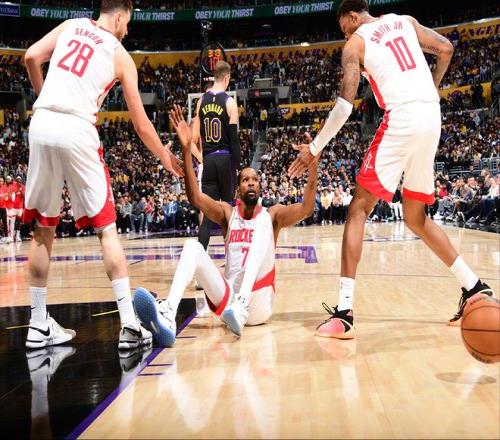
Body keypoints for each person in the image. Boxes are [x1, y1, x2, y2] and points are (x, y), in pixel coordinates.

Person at [288, 0, 493, 339]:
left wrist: (314, 148)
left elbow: (344, 106)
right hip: (431, 116)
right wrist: (433, 87)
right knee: (415, 217)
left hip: (402, 117)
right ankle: (474, 286)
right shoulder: (405, 20)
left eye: (344, 28)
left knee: (358, 208)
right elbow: (445, 49)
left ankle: (344, 313)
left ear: (352, 16)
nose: (345, 35)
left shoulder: (355, 44)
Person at [22, 0, 183, 350]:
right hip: (77, 128)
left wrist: (46, 97)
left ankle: (37, 325)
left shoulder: (71, 25)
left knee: (43, 228)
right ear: (120, 15)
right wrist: (165, 156)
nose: (128, 30)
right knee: (107, 229)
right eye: (128, 23)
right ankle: (129, 325)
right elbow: (141, 124)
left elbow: (31, 57)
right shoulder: (120, 54)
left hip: (42, 122)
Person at [133, 105, 318, 345]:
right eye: (245, 180)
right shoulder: (227, 213)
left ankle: (242, 303)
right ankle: (168, 312)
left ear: (260, 187)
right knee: (192, 247)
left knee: (263, 219)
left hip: (258, 304)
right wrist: (187, 149)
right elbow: (195, 197)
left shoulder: (272, 216)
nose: (250, 183)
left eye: (255, 179)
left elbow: (307, 208)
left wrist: (313, 165)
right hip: (228, 303)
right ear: (237, 189)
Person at [191, 61, 240, 251]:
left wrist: (201, 157)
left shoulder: (201, 101)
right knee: (229, 213)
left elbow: (193, 139)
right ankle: (232, 260)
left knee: (207, 216)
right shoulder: (229, 102)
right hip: (225, 159)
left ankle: (200, 262)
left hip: (209, 160)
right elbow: (234, 141)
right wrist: (238, 168)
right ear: (226, 77)